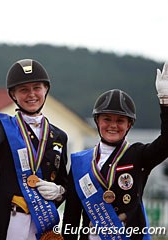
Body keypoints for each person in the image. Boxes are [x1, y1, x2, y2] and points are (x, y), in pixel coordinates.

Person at [62, 64, 168, 240]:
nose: (113, 125)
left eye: (120, 120)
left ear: (129, 125)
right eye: (107, 119)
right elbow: (71, 217)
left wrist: (165, 102)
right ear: (97, 121)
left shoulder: (139, 155)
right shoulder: (81, 162)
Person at [0, 59, 68, 240]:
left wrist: (60, 191)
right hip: (9, 220)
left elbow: (64, 181)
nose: (31, 94)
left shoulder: (59, 136)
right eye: (23, 90)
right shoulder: (4, 126)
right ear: (13, 94)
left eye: (36, 88)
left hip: (43, 223)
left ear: (46, 89)